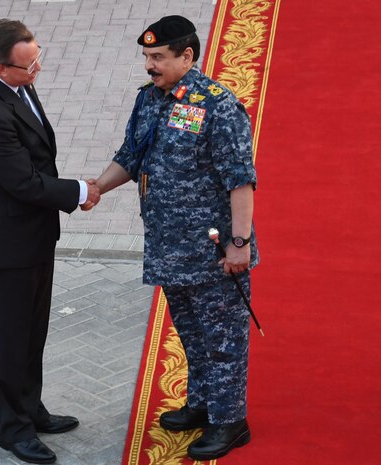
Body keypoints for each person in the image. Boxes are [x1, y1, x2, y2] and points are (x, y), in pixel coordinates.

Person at [90, 15, 259, 461]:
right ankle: (202, 405)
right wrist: (95, 189)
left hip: (212, 252)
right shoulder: (150, 100)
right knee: (191, 334)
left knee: (222, 340)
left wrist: (238, 245)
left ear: (187, 56)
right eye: (146, 56)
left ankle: (230, 421)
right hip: (169, 248)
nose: (149, 65)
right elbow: (130, 156)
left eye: (158, 57)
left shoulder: (219, 106)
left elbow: (241, 181)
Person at [0, 19, 100, 465]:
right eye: (30, 65)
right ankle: (13, 429)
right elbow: (23, 182)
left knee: (32, 330)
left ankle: (31, 408)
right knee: (9, 336)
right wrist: (81, 191)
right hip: (8, 241)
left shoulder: (16, 86)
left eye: (38, 56)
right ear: (2, 69)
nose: (39, 68)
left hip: (33, 234)